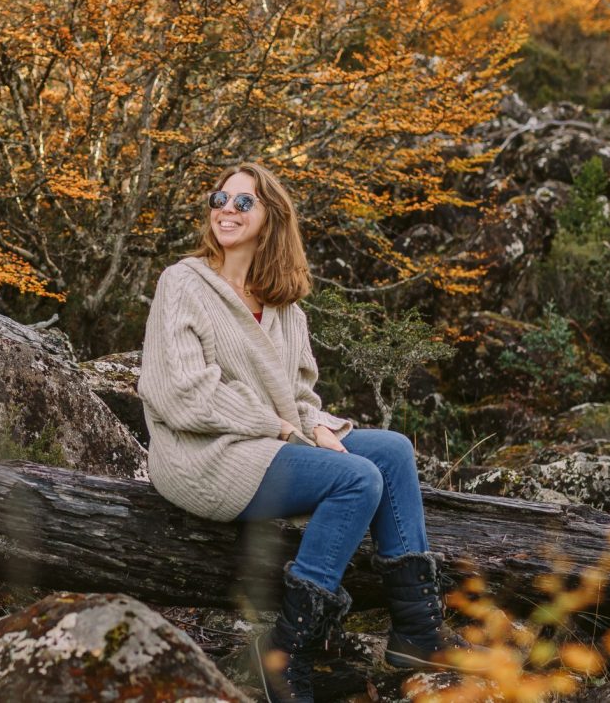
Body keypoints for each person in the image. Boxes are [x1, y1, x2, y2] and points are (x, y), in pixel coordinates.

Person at [137, 162, 470, 703]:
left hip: (270, 442)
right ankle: (286, 653)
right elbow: (181, 395)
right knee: (356, 480)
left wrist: (312, 426)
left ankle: (417, 633)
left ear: (271, 217)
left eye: (243, 202)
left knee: (391, 451)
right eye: (219, 198)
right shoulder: (183, 283)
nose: (226, 209)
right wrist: (284, 427)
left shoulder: (284, 303)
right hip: (204, 455)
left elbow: (300, 397)